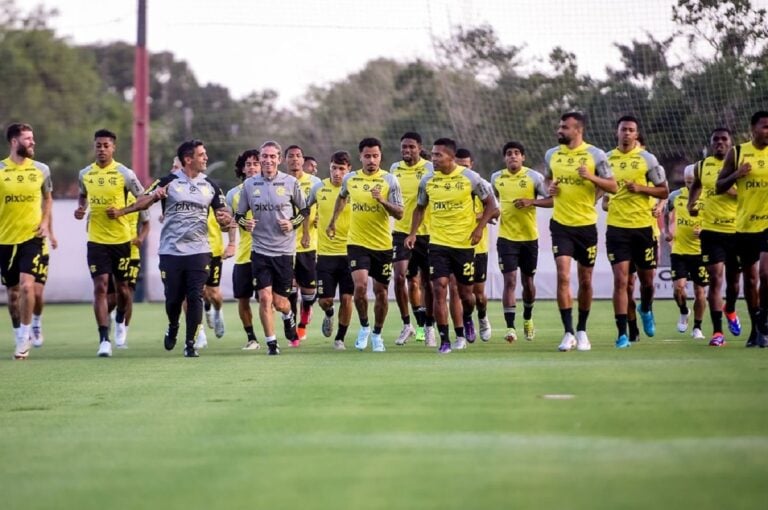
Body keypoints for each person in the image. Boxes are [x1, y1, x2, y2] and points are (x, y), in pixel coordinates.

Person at [108, 139, 232, 357]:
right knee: (174, 298)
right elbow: (142, 200)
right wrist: (144, 201)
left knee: (195, 297)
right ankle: (173, 325)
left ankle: (190, 343)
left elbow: (224, 218)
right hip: (171, 251)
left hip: (199, 250)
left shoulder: (210, 185)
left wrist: (224, 220)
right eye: (201, 155)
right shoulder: (168, 181)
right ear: (188, 159)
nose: (206, 158)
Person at [406, 138, 498, 354]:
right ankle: (446, 339)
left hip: (464, 245)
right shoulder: (427, 180)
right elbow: (419, 208)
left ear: (450, 157)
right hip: (437, 244)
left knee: (466, 295)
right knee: (439, 289)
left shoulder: (470, 178)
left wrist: (479, 229)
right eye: (433, 154)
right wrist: (412, 233)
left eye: (438, 155)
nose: (433, 159)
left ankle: (467, 318)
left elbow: (492, 204)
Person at [545, 112, 617, 352]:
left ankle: (582, 329)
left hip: (586, 226)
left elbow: (613, 186)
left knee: (585, 280)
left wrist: (591, 176)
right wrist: (550, 187)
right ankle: (568, 333)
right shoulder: (552, 154)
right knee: (563, 276)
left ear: (578, 130)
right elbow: (548, 180)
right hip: (560, 225)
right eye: (559, 126)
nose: (559, 130)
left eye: (564, 127)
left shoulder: (595, 155)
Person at [75, 129, 147, 357]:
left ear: (113, 147)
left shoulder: (124, 173)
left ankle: (120, 321)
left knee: (124, 291)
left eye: (106, 145)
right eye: (98, 145)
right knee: (100, 288)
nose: (102, 149)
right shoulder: (85, 174)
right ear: (94, 147)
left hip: (121, 241)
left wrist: (123, 211)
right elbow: (83, 194)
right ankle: (104, 339)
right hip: (96, 241)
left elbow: (144, 199)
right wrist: (81, 208)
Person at [327, 137, 403, 352]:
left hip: (382, 245)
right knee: (359, 288)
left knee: (380, 292)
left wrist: (382, 201)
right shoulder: (350, 179)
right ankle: (364, 326)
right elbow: (342, 197)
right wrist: (332, 221)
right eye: (367, 156)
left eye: (375, 156)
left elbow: (399, 212)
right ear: (360, 157)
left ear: (381, 157)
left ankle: (378, 334)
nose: (371, 160)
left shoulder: (390, 180)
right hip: (357, 243)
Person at [235, 141, 307, 356]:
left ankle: (288, 315)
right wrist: (244, 223)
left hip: (284, 252)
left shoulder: (291, 182)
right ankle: (272, 344)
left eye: (272, 156)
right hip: (260, 251)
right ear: (260, 159)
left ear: (279, 159)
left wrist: (292, 223)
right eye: (263, 157)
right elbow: (239, 216)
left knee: (280, 302)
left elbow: (303, 210)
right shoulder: (250, 185)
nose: (267, 160)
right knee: (265, 298)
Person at [605, 116, 669, 348]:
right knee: (622, 281)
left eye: (631, 130)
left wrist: (640, 188)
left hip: (643, 229)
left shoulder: (647, 159)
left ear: (636, 134)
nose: (626, 134)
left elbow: (664, 191)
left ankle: (646, 307)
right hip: (617, 229)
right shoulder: (606, 159)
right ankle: (623, 333)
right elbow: (601, 193)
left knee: (647, 282)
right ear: (617, 132)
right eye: (623, 129)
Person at [0, 123, 52, 360]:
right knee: (12, 296)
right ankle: (18, 330)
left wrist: (44, 222)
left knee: (27, 286)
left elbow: (48, 198)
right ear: (14, 142)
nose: (33, 142)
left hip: (32, 238)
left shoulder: (41, 169)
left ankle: (24, 337)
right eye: (28, 139)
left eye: (33, 138)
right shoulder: (1, 170)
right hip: (5, 240)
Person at [716, 111, 768, 348]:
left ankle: (764, 322)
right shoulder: (737, 153)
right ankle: (757, 328)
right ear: (753, 128)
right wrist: (737, 174)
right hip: (746, 226)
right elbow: (719, 186)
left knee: (766, 274)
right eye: (765, 126)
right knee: (750, 279)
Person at [491, 141, 552, 343]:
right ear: (504, 158)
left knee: (528, 282)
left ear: (523, 157)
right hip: (506, 239)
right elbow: (493, 202)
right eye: (509, 153)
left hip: (529, 239)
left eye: (517, 153)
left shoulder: (534, 177)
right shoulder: (496, 178)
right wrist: (491, 213)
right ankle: (510, 328)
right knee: (509, 281)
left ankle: (527, 318)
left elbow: (551, 200)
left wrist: (531, 201)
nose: (513, 156)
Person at [688, 128, 742, 346]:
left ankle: (730, 308)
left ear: (730, 143)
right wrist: (691, 204)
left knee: (734, 282)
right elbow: (696, 186)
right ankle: (717, 333)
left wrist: (729, 187)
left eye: (724, 139)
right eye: (716, 140)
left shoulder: (739, 164)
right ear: (711, 143)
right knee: (715, 278)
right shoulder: (702, 166)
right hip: (711, 231)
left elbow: (748, 193)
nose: (720, 142)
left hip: (737, 230)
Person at [390, 132, 435, 346]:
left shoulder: (430, 168)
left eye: (411, 147)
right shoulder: (394, 169)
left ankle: (429, 327)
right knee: (401, 277)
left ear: (419, 147)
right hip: (401, 231)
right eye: (404, 147)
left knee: (427, 282)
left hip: (427, 232)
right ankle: (408, 323)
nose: (407, 151)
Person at [307, 151, 354, 350]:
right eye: (334, 168)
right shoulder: (319, 188)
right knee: (325, 300)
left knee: (346, 297)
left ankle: (340, 338)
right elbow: (303, 208)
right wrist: (305, 230)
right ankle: (329, 313)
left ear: (349, 170)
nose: (337, 172)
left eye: (341, 169)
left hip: (351, 252)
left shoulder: (355, 188)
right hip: (325, 255)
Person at [455, 147, 497, 342]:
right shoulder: (451, 184)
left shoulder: (482, 185)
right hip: (455, 246)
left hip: (478, 247)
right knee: (460, 291)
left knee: (478, 295)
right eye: (459, 165)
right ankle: (466, 322)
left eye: (466, 165)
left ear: (472, 165)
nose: (463, 169)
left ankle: (482, 316)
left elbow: (496, 211)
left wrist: (476, 217)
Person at [225, 149, 262, 350]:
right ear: (242, 168)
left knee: (269, 298)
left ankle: (277, 327)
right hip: (244, 255)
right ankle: (252, 338)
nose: (252, 167)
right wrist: (231, 243)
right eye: (248, 164)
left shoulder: (272, 189)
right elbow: (230, 222)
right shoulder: (233, 194)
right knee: (243, 297)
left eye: (256, 163)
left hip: (267, 253)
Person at [284, 145, 321, 344]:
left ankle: (305, 315)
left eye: (298, 156)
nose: (295, 160)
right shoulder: (280, 182)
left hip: (308, 244)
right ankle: (293, 332)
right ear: (285, 160)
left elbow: (325, 203)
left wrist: (319, 220)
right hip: (285, 245)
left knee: (308, 293)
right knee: (289, 289)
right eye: (291, 156)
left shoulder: (314, 183)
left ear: (302, 160)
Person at [665, 165, 707, 340]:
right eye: (687, 182)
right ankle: (684, 311)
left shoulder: (708, 196)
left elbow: (714, 218)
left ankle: (697, 327)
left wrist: (705, 231)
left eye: (693, 182)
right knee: (678, 290)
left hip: (700, 251)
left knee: (700, 291)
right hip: (679, 250)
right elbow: (666, 212)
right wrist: (668, 230)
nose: (690, 185)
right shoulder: (675, 196)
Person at [194, 206, 233, 349]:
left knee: (213, 293)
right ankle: (199, 333)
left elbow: (228, 220)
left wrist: (231, 242)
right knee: (192, 292)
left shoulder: (213, 192)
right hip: (190, 250)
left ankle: (217, 311)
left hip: (213, 250)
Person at [30, 211, 57, 347]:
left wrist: (51, 235)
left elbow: (47, 213)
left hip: (39, 248)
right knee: (21, 291)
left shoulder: (38, 193)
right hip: (15, 244)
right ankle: (23, 329)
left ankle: (36, 324)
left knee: (37, 293)